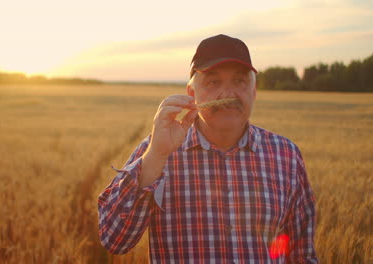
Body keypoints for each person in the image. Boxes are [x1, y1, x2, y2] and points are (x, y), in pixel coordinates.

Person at [98, 34, 317, 263]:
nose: (228, 95)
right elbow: (115, 241)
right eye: (213, 82)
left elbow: (302, 254)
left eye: (240, 81)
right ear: (192, 94)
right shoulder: (158, 151)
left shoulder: (286, 156)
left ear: (254, 91)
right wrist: (155, 156)